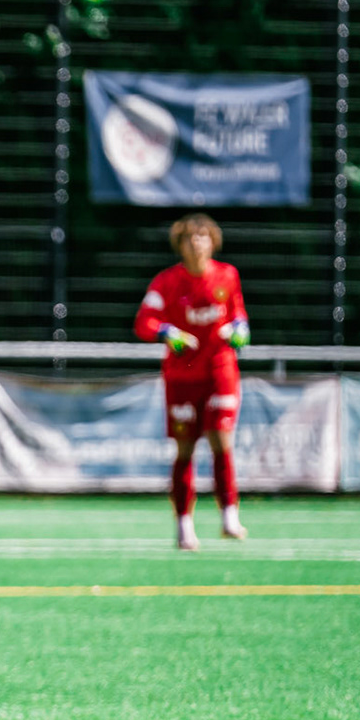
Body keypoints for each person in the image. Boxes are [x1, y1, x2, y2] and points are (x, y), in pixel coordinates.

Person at [133, 213, 251, 550]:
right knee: (185, 450)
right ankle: (184, 526)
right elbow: (144, 322)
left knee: (221, 440)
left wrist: (240, 329)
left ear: (213, 241)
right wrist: (167, 332)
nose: (196, 243)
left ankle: (230, 516)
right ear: (179, 245)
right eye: (189, 238)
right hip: (182, 376)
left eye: (202, 237)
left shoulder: (228, 276)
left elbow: (239, 313)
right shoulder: (167, 282)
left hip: (220, 371)